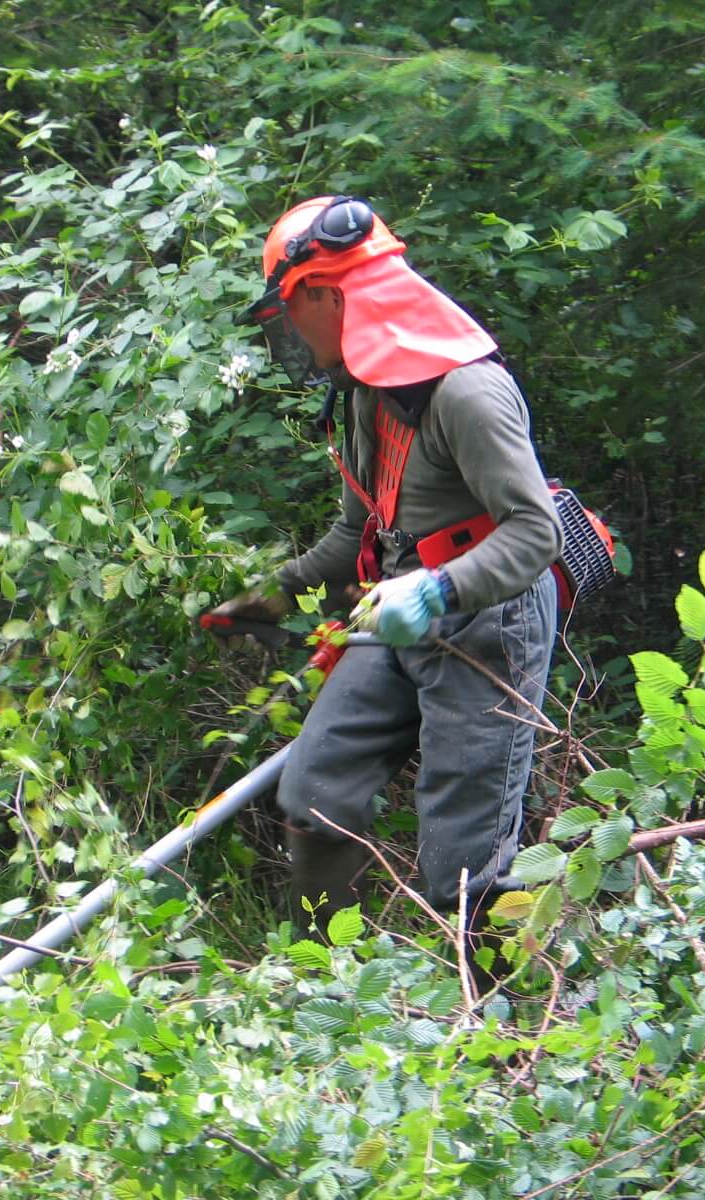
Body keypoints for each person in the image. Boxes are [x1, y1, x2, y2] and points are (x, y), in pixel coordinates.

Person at [211, 195, 559, 979]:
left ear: (327, 296)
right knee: (315, 791)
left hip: (488, 620)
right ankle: (327, 982)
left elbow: (536, 535)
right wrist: (278, 591)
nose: (290, 332)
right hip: (396, 604)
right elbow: (356, 532)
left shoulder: (467, 393)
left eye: (291, 312)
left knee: (465, 862)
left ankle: (501, 1018)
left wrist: (436, 594)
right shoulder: (369, 387)